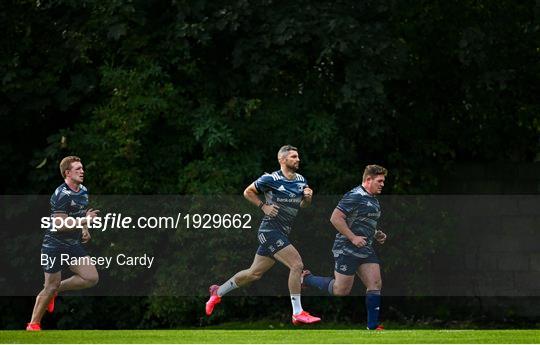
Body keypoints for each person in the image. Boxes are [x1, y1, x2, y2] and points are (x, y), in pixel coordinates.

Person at [205, 145, 321, 325]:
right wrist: (263, 207)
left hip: (282, 232)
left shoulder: (301, 180)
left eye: (298, 157)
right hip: (269, 231)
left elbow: (303, 206)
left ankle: (217, 292)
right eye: (293, 157)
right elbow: (247, 192)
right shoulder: (270, 178)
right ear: (282, 160)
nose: (298, 159)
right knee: (297, 264)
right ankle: (297, 312)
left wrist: (308, 198)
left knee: (253, 274)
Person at [302, 164, 388, 330]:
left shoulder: (373, 200)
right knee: (341, 290)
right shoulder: (355, 195)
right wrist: (353, 237)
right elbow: (335, 218)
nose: (382, 184)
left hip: (365, 248)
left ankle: (373, 326)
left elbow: (361, 222)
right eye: (380, 181)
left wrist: (376, 233)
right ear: (368, 179)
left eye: (383, 181)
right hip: (346, 247)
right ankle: (306, 279)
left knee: (375, 283)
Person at [26, 156, 100, 331]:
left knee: (91, 278)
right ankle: (33, 324)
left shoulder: (83, 191)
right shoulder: (61, 194)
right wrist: (84, 221)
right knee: (50, 285)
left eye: (82, 168)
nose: (82, 171)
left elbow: (78, 215)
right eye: (78, 169)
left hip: (72, 244)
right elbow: (59, 225)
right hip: (54, 245)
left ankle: (56, 291)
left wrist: (84, 229)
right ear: (67, 173)